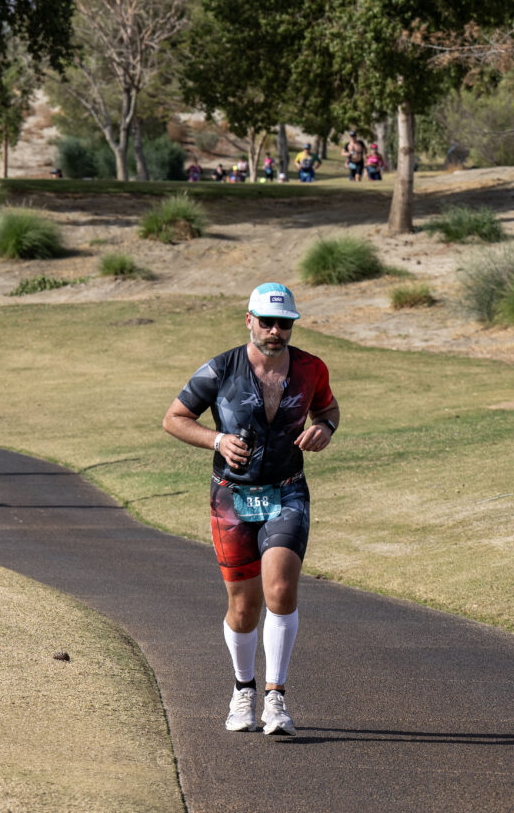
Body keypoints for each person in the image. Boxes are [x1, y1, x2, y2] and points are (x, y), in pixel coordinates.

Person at [161, 283, 339, 740]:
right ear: (249, 321)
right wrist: (217, 440)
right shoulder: (221, 369)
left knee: (279, 588)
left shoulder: (310, 368)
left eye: (285, 323)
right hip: (232, 497)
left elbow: (329, 409)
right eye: (267, 322)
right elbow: (174, 418)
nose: (276, 331)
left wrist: (325, 428)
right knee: (243, 604)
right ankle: (244, 690)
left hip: (287, 490)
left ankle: (276, 698)